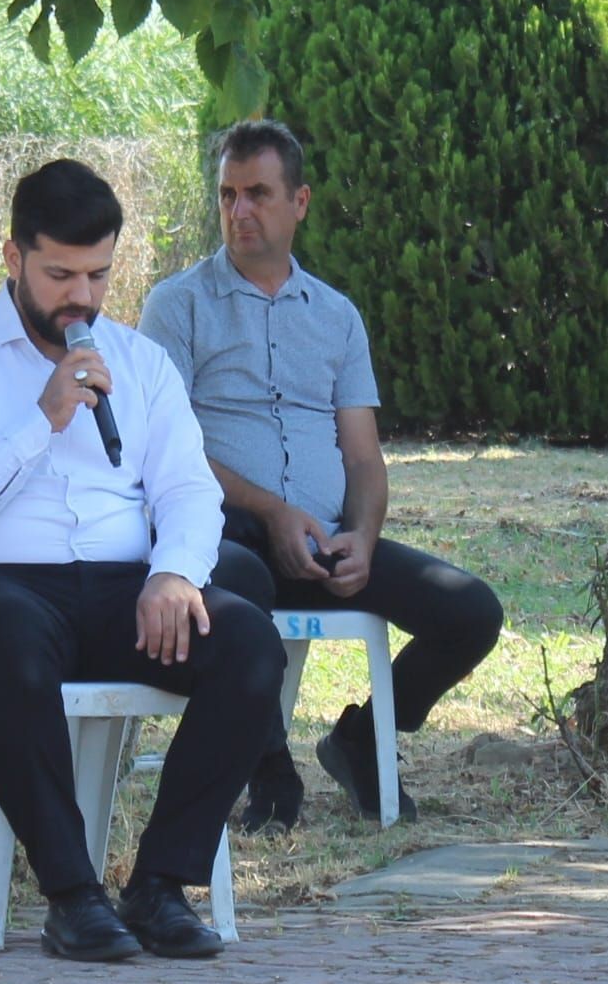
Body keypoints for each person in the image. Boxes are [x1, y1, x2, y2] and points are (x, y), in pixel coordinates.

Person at [0, 159, 286, 962]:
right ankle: (72, 895)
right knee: (13, 646)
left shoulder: (142, 364)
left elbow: (186, 488)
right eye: (60, 273)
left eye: (98, 274)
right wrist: (41, 421)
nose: (81, 296)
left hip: (118, 587)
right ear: (12, 257)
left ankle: (158, 886)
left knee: (247, 644)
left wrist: (172, 572)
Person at [139, 120, 503, 830]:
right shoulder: (176, 306)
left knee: (472, 612)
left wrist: (362, 536)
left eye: (258, 194)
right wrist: (273, 512)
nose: (240, 211)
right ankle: (268, 766)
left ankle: (361, 740)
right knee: (236, 582)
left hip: (323, 539)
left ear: (299, 201)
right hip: (224, 533)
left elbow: (364, 458)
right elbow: (166, 450)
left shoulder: (337, 316)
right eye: (227, 195)